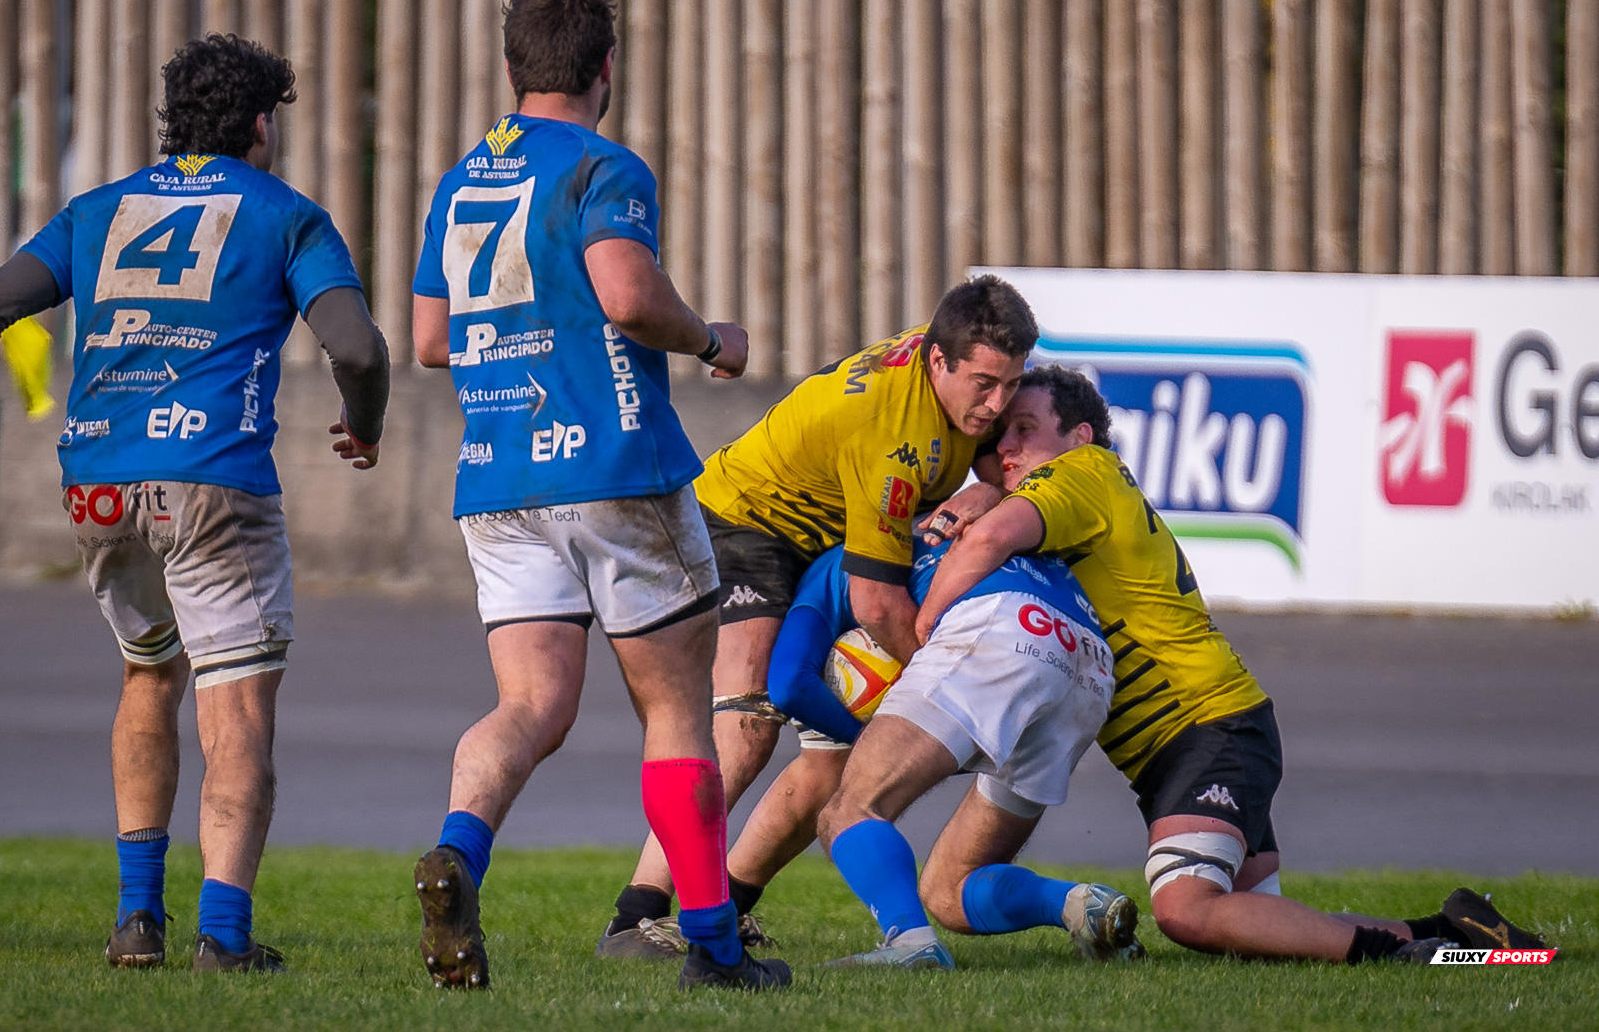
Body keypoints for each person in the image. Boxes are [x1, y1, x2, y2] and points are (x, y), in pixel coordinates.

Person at [0, 34, 390, 973]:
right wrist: (365, 425)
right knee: (236, 706)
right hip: (212, 483)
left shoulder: (100, 211)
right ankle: (225, 939)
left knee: (151, 674)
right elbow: (355, 347)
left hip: (98, 482)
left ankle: (135, 923)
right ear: (259, 124)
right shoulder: (287, 215)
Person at [409, 0, 787, 992]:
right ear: (605, 68)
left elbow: (431, 339)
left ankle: (458, 850)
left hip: (496, 470)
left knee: (530, 701)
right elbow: (627, 294)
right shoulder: (603, 166)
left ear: (509, 69)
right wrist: (714, 339)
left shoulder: (460, 181)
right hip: (612, 463)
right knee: (677, 710)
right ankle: (711, 944)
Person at [913, 364, 1544, 963]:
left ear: (1078, 438)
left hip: (1204, 729)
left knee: (1186, 911)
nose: (1008, 448)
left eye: (1025, 430)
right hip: (1204, 732)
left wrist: (924, 628)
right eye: (1003, 437)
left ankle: (1405, 959)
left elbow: (992, 539)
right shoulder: (1083, 486)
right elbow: (997, 501)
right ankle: (1454, 933)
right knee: (1250, 922)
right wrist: (988, 488)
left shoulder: (1082, 472)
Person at [600, 278, 1037, 956]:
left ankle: (728, 902)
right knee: (746, 723)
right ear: (938, 360)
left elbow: (1002, 465)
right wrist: (945, 692)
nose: (998, 403)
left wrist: (984, 491)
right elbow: (877, 604)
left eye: (1012, 383)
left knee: (835, 759)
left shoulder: (950, 386)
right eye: (984, 383)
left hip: (817, 542)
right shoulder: (895, 437)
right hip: (744, 520)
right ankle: (636, 916)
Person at [724, 542, 1144, 969]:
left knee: (849, 810)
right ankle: (1080, 905)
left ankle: (910, 940)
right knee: (950, 890)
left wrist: (864, 736)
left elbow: (791, 683)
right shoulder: (955, 528)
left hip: (1001, 625)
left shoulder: (836, 565)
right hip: (1089, 661)